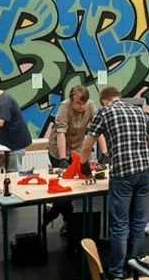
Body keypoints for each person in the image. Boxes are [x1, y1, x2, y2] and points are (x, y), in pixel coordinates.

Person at [80, 86, 149, 280]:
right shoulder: (139, 111)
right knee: (138, 221)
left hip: (122, 173)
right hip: (144, 172)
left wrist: (84, 166)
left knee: (120, 224)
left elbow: (87, 146)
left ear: (104, 101)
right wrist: (140, 152)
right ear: (118, 97)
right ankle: (135, 266)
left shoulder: (104, 113)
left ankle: (116, 272)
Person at [43, 86, 109, 234]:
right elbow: (60, 133)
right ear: (71, 100)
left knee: (76, 185)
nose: (82, 106)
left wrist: (105, 153)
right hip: (58, 149)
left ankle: (55, 214)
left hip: (77, 149)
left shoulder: (90, 105)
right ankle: (67, 220)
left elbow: (98, 130)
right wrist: (63, 159)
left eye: (84, 103)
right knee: (64, 185)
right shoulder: (64, 107)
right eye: (78, 103)